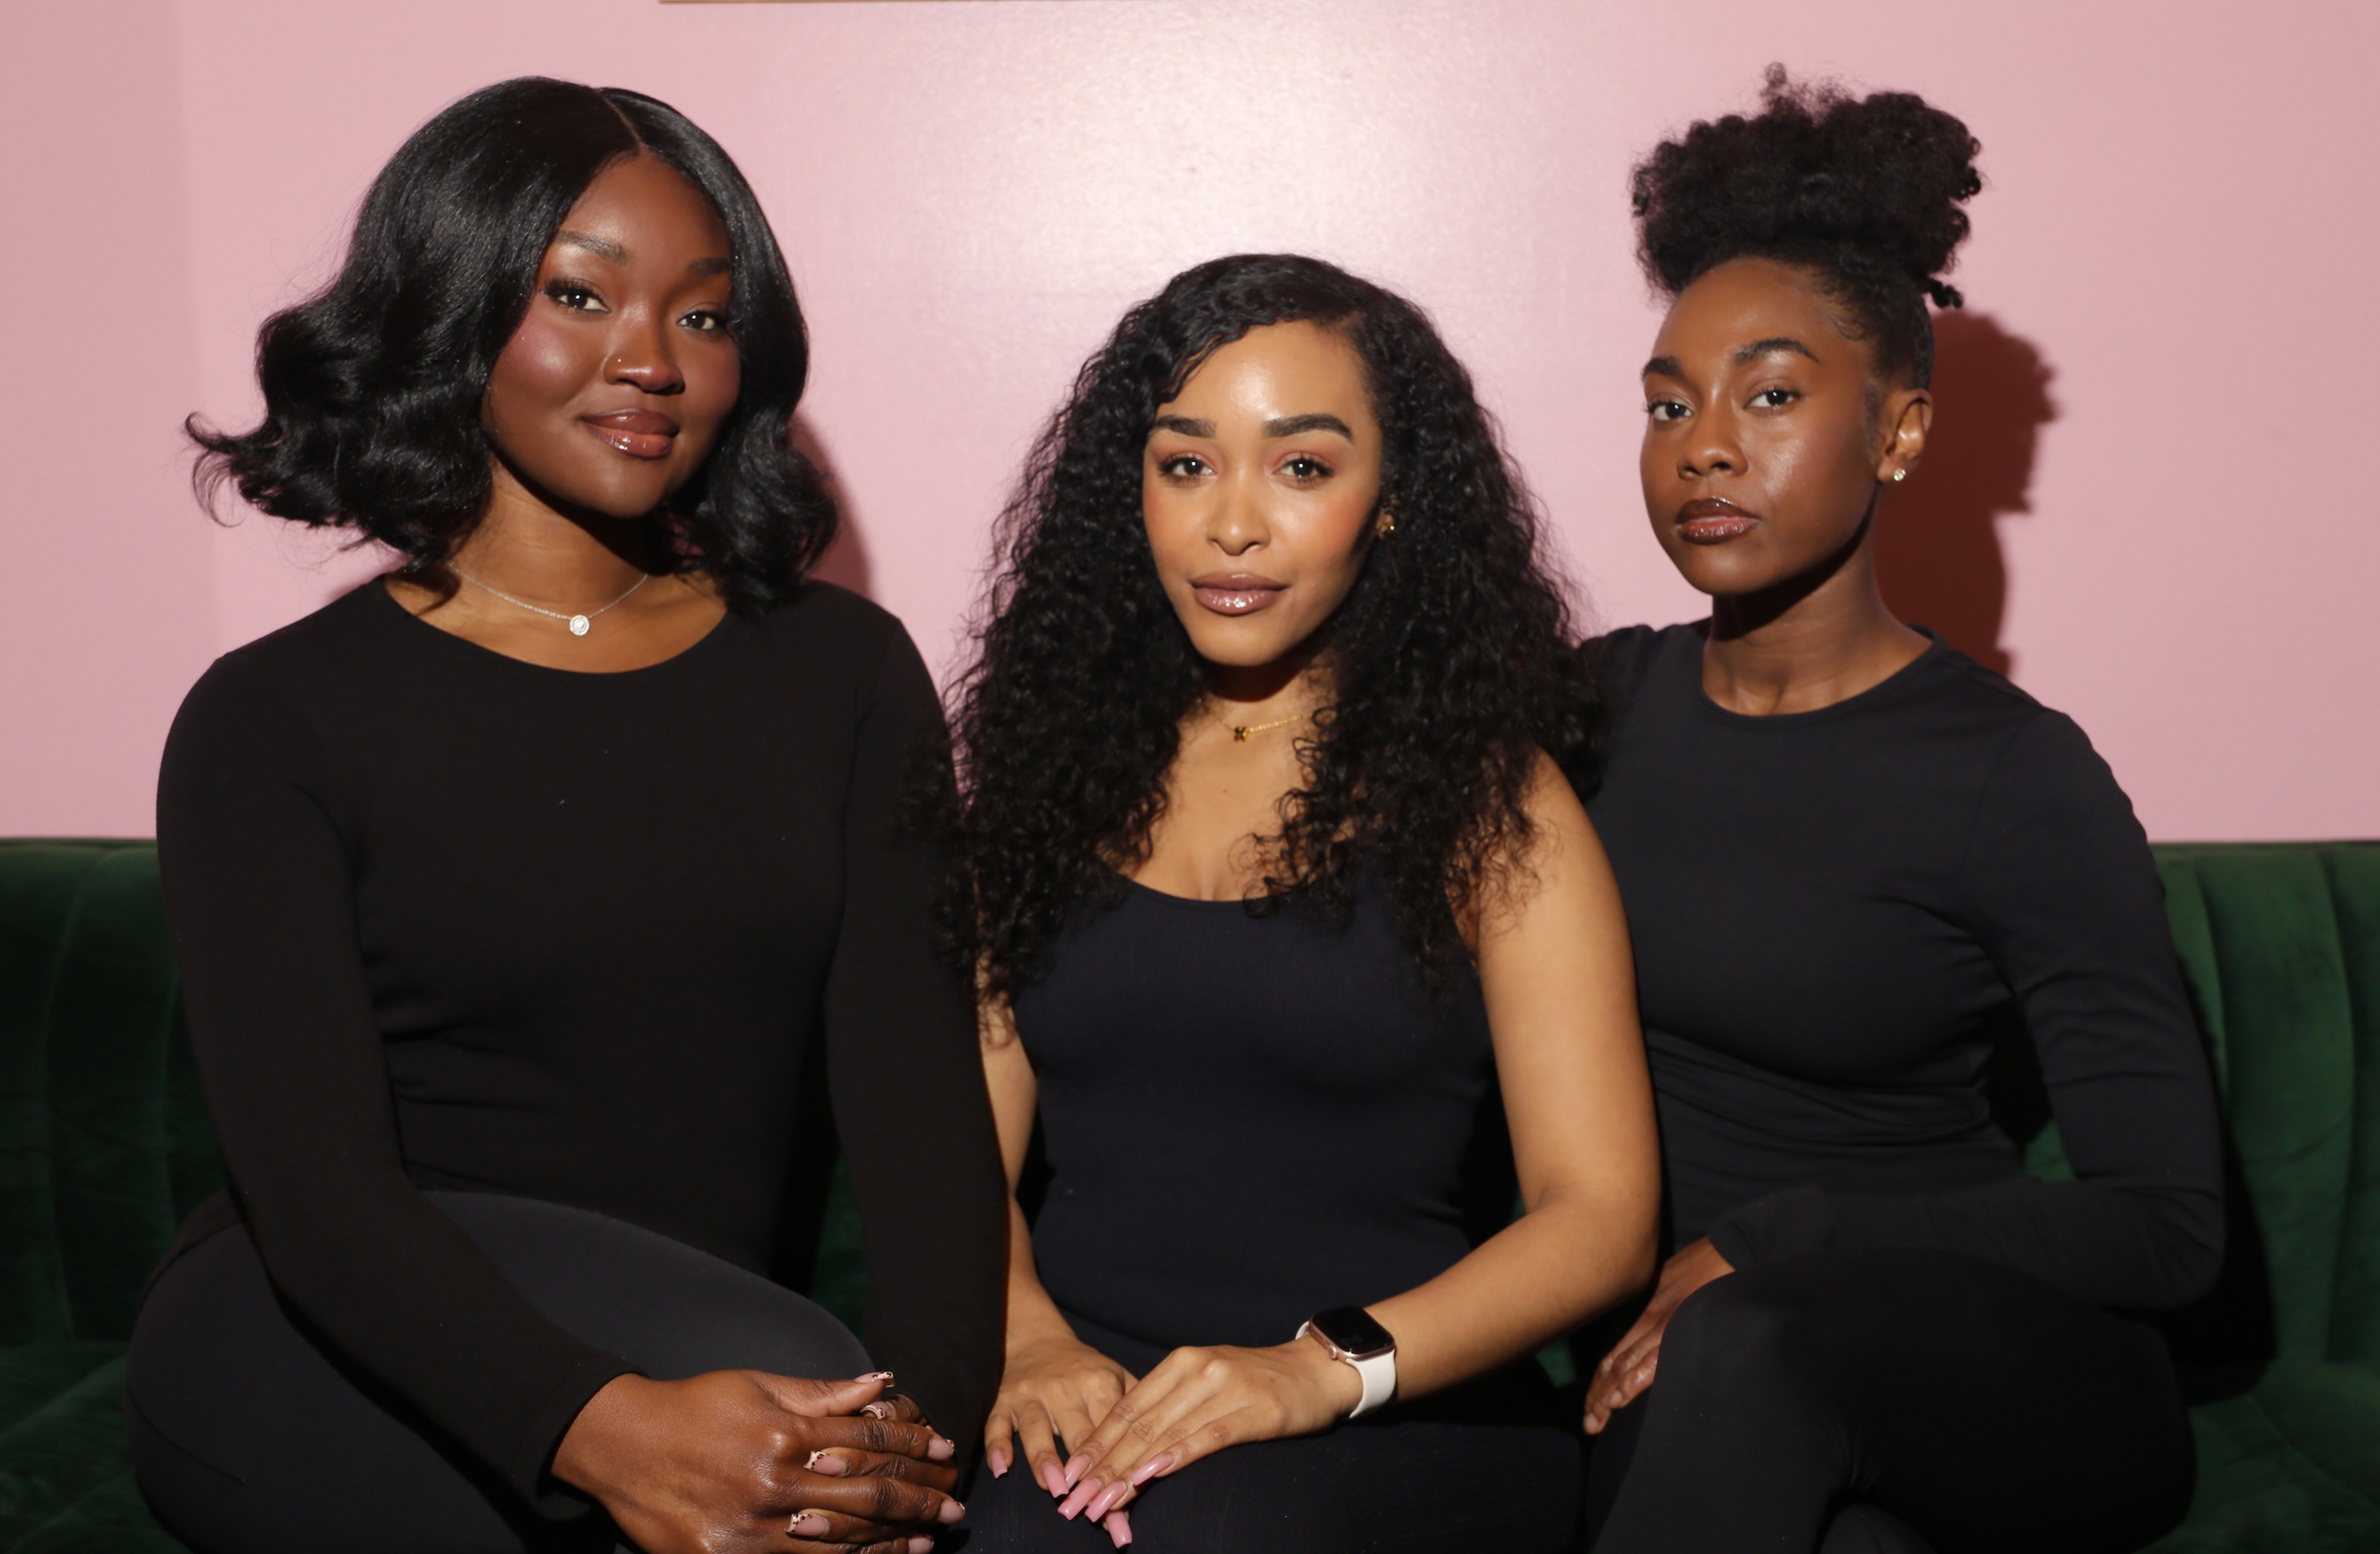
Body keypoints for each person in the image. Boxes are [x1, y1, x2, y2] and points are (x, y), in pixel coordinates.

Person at [131, 77, 1005, 1554]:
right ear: (455, 310)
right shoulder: (272, 720)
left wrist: (912, 1444)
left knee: (793, 1455)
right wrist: (600, 1427)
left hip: (711, 1332)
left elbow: (924, 1127)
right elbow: (320, 1195)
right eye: (578, 296)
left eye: (706, 316)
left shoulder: (842, 675)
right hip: (318, 1339)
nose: (650, 360)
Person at [1575, 70, 2225, 1554]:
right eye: (1669, 404)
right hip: (1694, 1371)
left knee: (1749, 1350)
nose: (1707, 446)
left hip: (1997, 1367)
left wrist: (1771, 1237)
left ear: (1903, 431)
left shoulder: (2015, 776)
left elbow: (2169, 1231)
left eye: (1775, 393)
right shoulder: (1589, 715)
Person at [940, 253, 1660, 1552]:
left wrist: (1314, 1370)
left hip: (1394, 1409)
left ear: (1392, 504)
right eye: (1185, 463)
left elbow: (1597, 1216)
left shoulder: (1495, 799)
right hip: (1089, 1397)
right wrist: (1029, 1338)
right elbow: (950, 1155)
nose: (1232, 524)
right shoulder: (1045, 778)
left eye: (1303, 467)